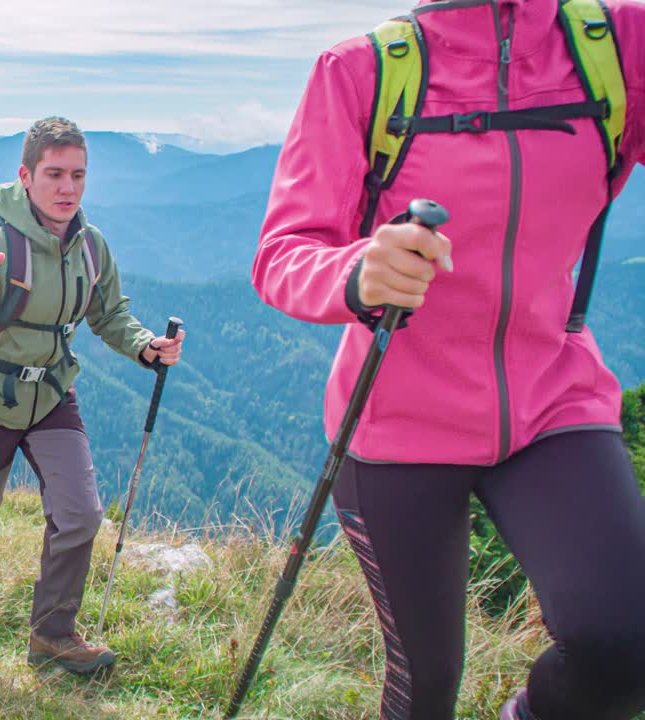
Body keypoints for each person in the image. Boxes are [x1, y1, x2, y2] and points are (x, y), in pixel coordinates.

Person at [252, 1, 645, 718]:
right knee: (425, 686)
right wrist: (357, 273)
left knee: (627, 642)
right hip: (396, 421)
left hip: (554, 399)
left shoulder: (618, 45)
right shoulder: (362, 70)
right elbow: (282, 254)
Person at [0, 116, 185, 675]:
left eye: (78, 175)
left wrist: (144, 347)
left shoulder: (90, 246)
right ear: (26, 176)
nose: (68, 188)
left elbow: (110, 314)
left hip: (53, 393)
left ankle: (52, 635)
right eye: (55, 174)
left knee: (81, 514)